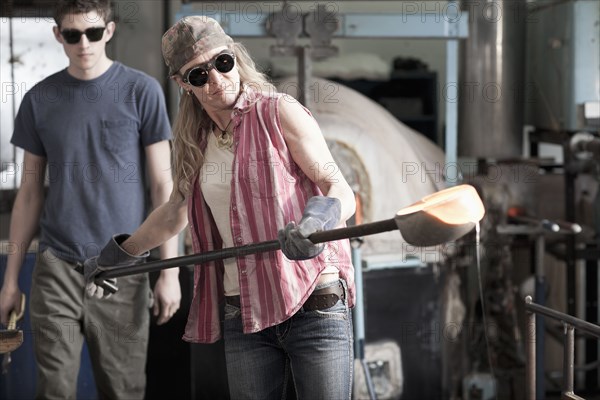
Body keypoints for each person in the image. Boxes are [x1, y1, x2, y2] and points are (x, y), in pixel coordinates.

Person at [84, 15, 357, 400]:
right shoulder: (196, 139)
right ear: (183, 83)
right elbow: (176, 209)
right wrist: (119, 254)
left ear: (235, 56)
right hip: (243, 309)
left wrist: (317, 222)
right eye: (198, 75)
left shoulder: (278, 112)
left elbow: (338, 187)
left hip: (313, 301)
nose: (215, 80)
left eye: (222, 63)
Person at [0, 1, 181, 398]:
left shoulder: (141, 91)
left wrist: (169, 272)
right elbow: (28, 195)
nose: (84, 43)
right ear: (57, 36)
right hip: (57, 266)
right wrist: (11, 280)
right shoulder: (39, 99)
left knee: (123, 390)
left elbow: (163, 189)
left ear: (110, 31)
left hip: (122, 267)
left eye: (94, 33)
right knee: (54, 390)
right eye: (73, 34)